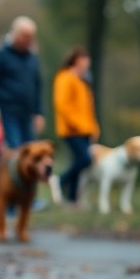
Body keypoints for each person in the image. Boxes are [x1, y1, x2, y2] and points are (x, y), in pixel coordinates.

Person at [0, 16, 44, 149]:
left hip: (27, 113)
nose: (28, 40)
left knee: (30, 150)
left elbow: (37, 85)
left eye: (31, 37)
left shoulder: (32, 57)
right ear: (15, 33)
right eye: (25, 36)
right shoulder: (0, 53)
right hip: (6, 111)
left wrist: (39, 112)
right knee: (14, 149)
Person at [53, 47, 99, 206]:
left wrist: (93, 128)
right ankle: (60, 181)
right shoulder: (65, 77)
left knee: (79, 163)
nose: (87, 63)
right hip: (71, 129)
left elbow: (88, 108)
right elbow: (63, 106)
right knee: (84, 159)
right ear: (76, 60)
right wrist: (79, 125)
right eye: (85, 59)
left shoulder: (83, 80)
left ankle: (73, 199)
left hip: (85, 129)